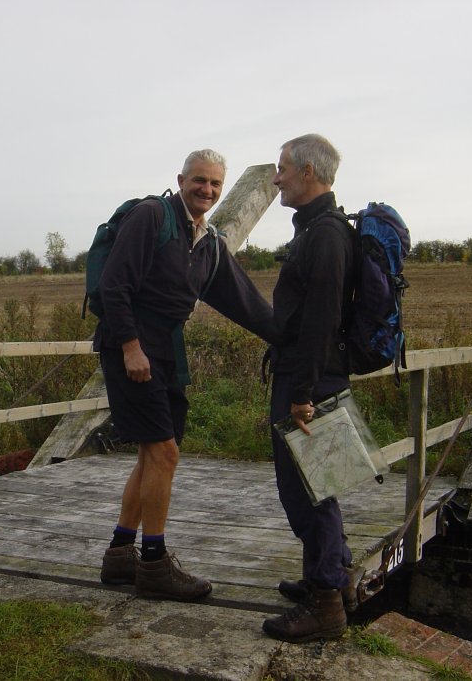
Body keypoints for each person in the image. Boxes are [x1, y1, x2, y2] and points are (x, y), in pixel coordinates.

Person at [95, 149, 278, 601]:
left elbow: (245, 303)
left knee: (152, 455)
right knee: (165, 453)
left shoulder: (208, 242)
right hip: (132, 347)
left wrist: (291, 335)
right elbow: (113, 285)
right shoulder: (152, 217)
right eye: (200, 180)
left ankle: (121, 555)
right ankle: (154, 563)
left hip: (167, 352)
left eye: (216, 184)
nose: (209, 191)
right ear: (181, 179)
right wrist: (130, 347)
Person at [261, 134, 358, 642]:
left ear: (307, 172)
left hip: (311, 382)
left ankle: (326, 606)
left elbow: (322, 319)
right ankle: (330, 580)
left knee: (307, 493)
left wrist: (302, 394)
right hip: (313, 376)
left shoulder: (324, 234)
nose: (275, 179)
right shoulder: (320, 228)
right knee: (319, 485)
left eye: (281, 169)